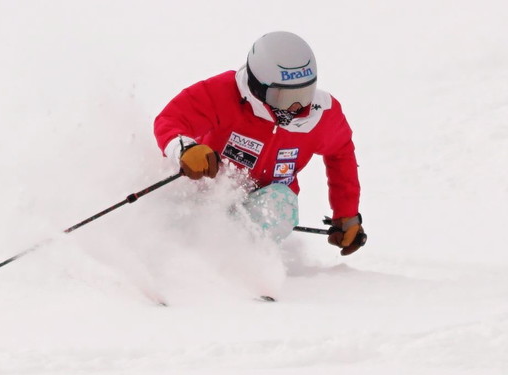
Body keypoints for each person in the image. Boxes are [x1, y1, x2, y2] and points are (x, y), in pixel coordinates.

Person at [152, 31, 366, 255]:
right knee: (176, 219)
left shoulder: (321, 115)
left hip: (266, 203)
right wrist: (186, 148)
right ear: (258, 86)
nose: (295, 107)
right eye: (283, 96)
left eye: (304, 93)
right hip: (208, 187)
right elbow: (171, 119)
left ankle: (240, 266)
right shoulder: (225, 92)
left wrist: (347, 215)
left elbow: (341, 152)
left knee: (281, 204)